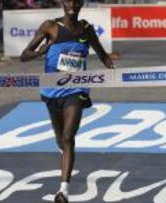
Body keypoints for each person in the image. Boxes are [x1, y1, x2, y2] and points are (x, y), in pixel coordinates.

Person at [20, 0, 116, 202]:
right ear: (62, 4)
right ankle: (65, 152)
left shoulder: (86, 29)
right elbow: (24, 55)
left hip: (77, 89)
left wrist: (116, 73)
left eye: (76, 1)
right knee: (60, 139)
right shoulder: (50, 26)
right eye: (68, 1)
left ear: (80, 4)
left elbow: (102, 54)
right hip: (52, 91)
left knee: (68, 137)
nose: (72, 4)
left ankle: (63, 191)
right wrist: (39, 52)